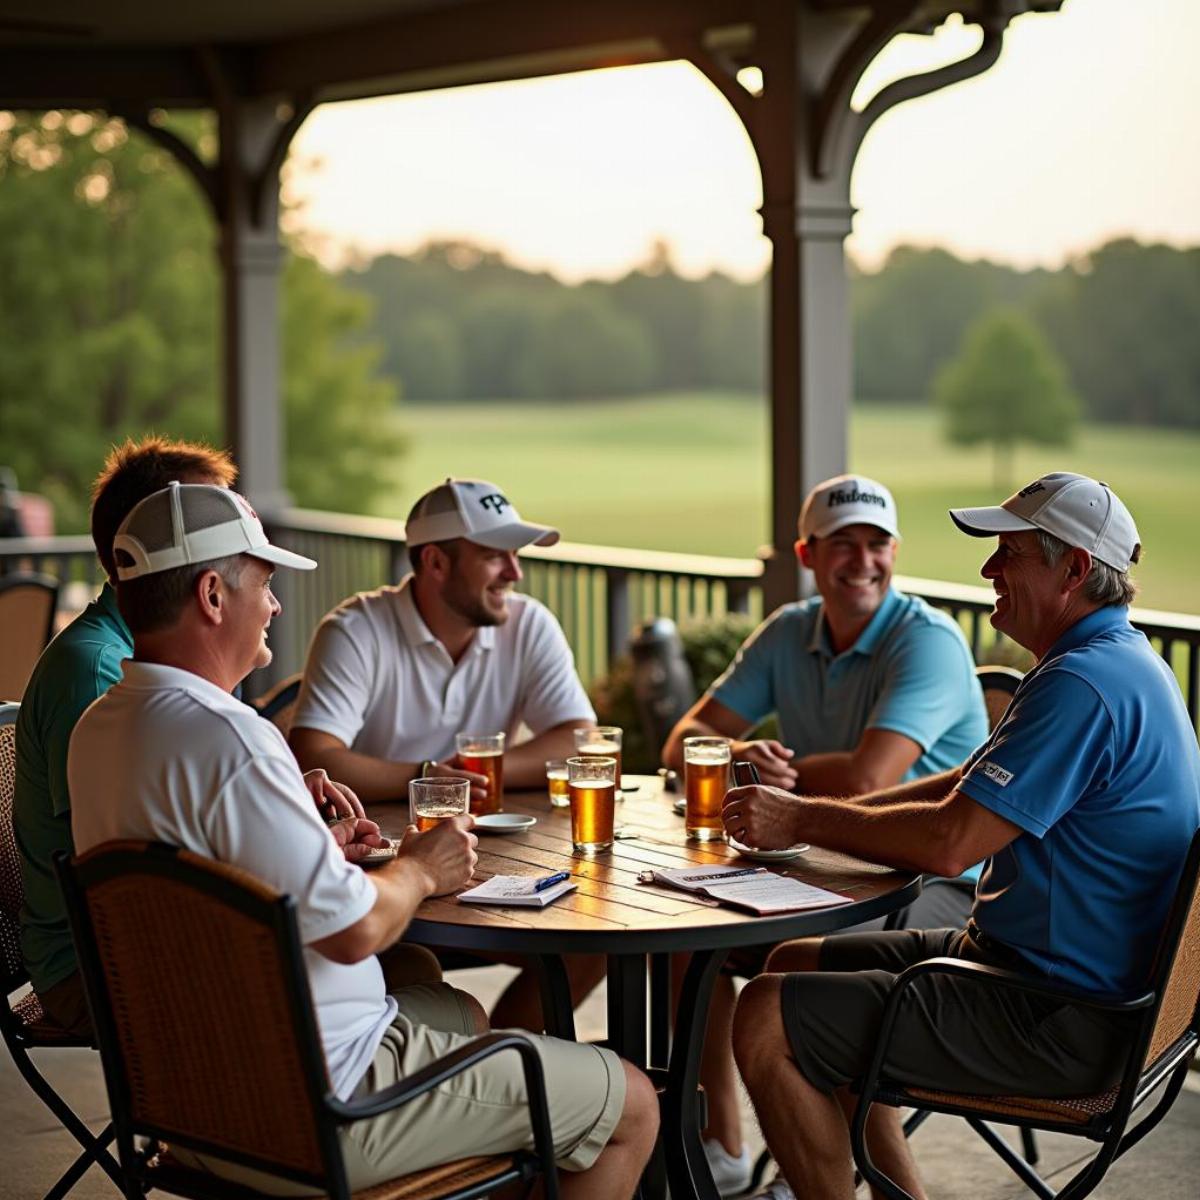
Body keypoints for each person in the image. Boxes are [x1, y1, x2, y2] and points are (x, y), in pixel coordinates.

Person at [68, 482, 659, 1198]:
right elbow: (353, 932)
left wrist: (311, 843)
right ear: (213, 595)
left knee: (462, 1015)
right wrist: (420, 868)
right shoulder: (232, 739)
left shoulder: (101, 728)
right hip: (321, 1105)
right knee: (630, 1103)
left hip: (191, 1101)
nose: (277, 605)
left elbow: (213, 877)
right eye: (266, 582)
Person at [725, 472, 1200, 1200]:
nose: (988, 571)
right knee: (793, 960)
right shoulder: (1115, 665)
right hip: (1036, 974)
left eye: (1008, 554)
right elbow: (963, 786)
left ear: (1073, 570)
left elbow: (952, 842)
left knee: (766, 1017)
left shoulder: (1084, 686)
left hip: (1054, 1015)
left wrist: (801, 819)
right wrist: (829, 810)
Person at [660, 474, 988, 1192]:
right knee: (689, 941)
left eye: (878, 545)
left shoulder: (925, 640)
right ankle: (720, 1144)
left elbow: (871, 777)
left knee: (810, 983)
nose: (863, 562)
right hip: (820, 867)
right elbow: (683, 741)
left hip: (932, 879)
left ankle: (821, 1165)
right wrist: (738, 754)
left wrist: (773, 778)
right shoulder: (788, 631)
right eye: (844, 546)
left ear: (895, 552)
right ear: (808, 554)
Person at [290, 476, 604, 1027]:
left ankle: (504, 1076)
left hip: (483, 864)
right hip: (383, 874)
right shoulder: (356, 628)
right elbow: (313, 753)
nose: (515, 572)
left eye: (514, 555)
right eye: (494, 556)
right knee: (418, 965)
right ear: (435, 562)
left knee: (591, 939)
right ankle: (488, 1077)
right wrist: (431, 775)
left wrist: (479, 776)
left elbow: (580, 738)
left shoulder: (529, 624)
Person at [14, 436, 241, 1036]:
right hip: (94, 968)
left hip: (145, 941)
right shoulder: (97, 670)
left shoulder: (168, 656)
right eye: (212, 517)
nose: (237, 529)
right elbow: (121, 859)